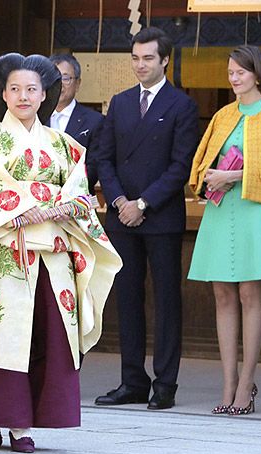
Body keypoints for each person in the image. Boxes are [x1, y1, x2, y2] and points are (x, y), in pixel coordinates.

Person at [0, 53, 121, 453]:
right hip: (5, 256)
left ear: (45, 96)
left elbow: (79, 195)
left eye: (31, 90)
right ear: (3, 94)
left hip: (51, 257)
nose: (23, 96)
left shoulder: (64, 146)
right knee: (2, 336)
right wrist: (24, 207)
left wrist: (56, 206)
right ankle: (6, 416)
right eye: (15, 89)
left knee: (44, 336)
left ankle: (21, 419)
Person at [94, 26, 199, 410]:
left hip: (161, 216)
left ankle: (165, 384)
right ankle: (132, 381)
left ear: (165, 60)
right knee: (127, 299)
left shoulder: (182, 105)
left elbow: (179, 167)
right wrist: (120, 200)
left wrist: (143, 203)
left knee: (167, 301)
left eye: (148, 58)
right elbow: (103, 157)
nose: (140, 65)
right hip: (121, 216)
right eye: (135, 58)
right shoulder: (120, 102)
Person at [187, 45, 261, 416]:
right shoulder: (223, 115)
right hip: (219, 209)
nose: (233, 77)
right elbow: (200, 165)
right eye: (230, 72)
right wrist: (212, 176)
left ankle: (247, 383)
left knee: (249, 294)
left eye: (240, 72)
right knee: (222, 296)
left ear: (257, 74)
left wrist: (235, 176)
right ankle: (227, 384)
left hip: (253, 210)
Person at [48, 54, 104, 193]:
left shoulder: (95, 121)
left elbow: (92, 169)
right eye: (54, 78)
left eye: (65, 78)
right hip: (40, 206)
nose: (59, 84)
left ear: (78, 83)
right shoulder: (35, 118)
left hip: (77, 203)